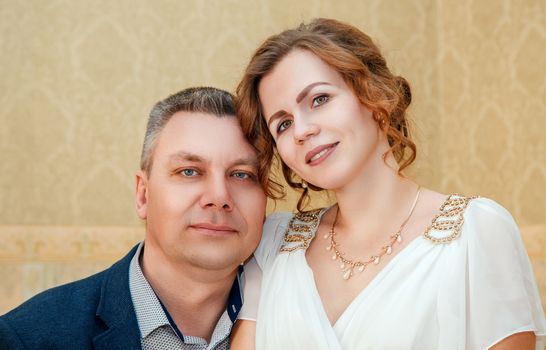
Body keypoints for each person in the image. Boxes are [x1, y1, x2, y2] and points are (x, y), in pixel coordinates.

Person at [231, 18, 546, 349]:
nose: (302, 130)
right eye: (282, 124)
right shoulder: (274, 245)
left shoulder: (476, 233)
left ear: (375, 95)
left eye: (319, 99)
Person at [0, 87, 267, 349]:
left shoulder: (296, 321)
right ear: (143, 195)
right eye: (189, 171)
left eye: (242, 174)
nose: (219, 196)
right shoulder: (25, 338)